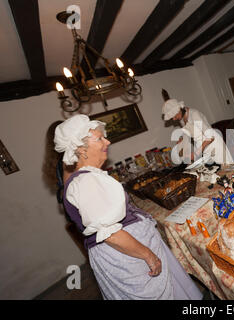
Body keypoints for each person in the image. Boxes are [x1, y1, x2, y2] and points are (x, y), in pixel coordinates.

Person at [54, 114, 203, 300]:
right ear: (81, 149)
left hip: (132, 251)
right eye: (100, 138)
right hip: (128, 256)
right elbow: (110, 234)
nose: (107, 142)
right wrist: (148, 255)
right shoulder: (85, 183)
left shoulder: (90, 176)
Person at [162, 98, 233, 164]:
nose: (174, 119)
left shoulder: (194, 115)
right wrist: (182, 138)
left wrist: (197, 152)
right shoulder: (182, 120)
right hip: (204, 149)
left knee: (228, 171)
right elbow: (192, 132)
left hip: (215, 146)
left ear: (179, 109)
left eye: (174, 116)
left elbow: (211, 137)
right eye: (172, 118)